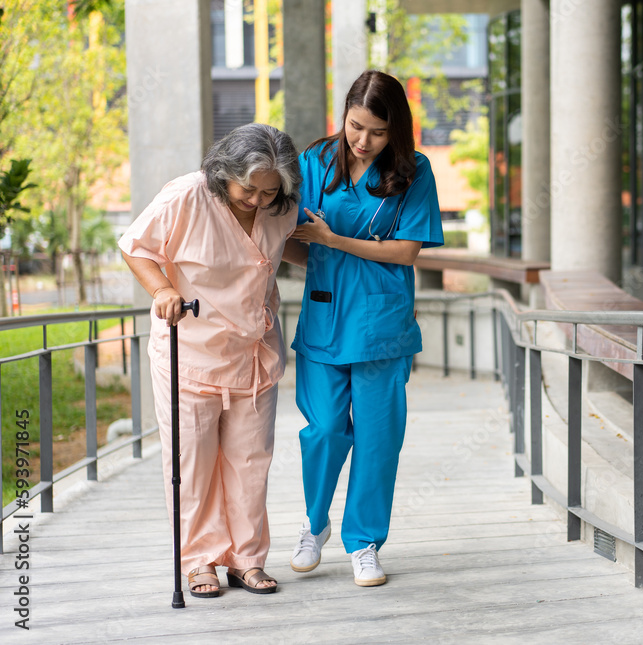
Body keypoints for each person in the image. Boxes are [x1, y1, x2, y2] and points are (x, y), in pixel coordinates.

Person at [119, 123, 301, 598]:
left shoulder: (281, 207)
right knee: (192, 463)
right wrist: (162, 289)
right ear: (225, 173)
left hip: (254, 352)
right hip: (191, 349)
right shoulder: (186, 196)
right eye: (249, 189)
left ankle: (246, 560)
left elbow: (290, 243)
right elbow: (135, 247)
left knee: (250, 461)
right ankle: (200, 561)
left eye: (269, 191)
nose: (258, 200)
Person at [282, 69, 443, 586]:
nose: (363, 140)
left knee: (378, 438)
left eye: (377, 131)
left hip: (382, 323)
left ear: (395, 128)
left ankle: (365, 541)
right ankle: (313, 525)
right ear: (344, 113)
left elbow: (407, 250)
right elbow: (288, 235)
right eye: (356, 126)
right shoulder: (314, 162)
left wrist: (334, 244)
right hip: (327, 316)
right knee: (324, 428)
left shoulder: (413, 171)